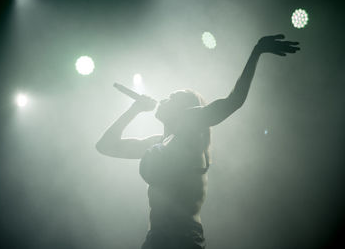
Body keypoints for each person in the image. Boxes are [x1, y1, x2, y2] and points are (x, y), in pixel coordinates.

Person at [96, 34, 300, 249]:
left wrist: (256, 52)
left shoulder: (189, 127)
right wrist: (134, 109)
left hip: (183, 239)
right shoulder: (160, 142)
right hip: (156, 238)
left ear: (186, 109)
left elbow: (233, 101)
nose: (164, 99)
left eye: (172, 97)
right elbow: (105, 146)